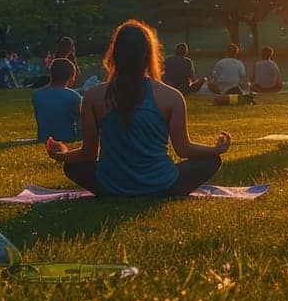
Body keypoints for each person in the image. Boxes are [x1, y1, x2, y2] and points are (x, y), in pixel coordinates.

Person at [48, 20, 229, 196]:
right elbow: (183, 149)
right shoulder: (171, 97)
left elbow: (88, 154)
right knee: (211, 161)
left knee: (71, 165)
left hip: (111, 186)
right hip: (162, 184)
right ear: (149, 54)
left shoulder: (92, 96)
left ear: (114, 53)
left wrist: (61, 154)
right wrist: (215, 150)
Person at [32, 57, 83, 142]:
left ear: (51, 73)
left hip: (44, 138)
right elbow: (80, 121)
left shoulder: (37, 95)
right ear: (72, 76)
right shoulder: (74, 96)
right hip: (68, 138)